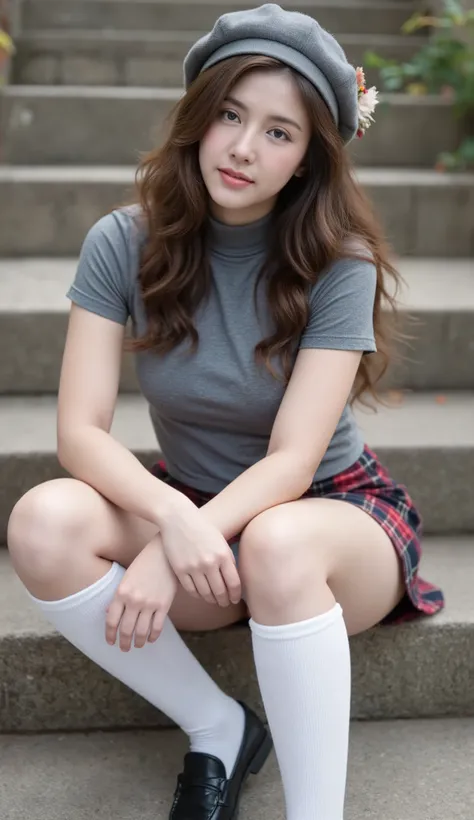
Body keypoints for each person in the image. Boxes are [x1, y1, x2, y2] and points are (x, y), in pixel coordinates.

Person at [7, 4, 445, 819]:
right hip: (199, 508)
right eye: (232, 116)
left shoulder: (334, 262)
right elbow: (78, 432)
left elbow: (291, 460)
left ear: (310, 158)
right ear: (199, 119)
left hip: (326, 515)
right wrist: (173, 521)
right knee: (43, 522)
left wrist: (175, 547)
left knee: (278, 541)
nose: (244, 148)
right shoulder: (121, 242)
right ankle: (219, 726)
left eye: (279, 133)